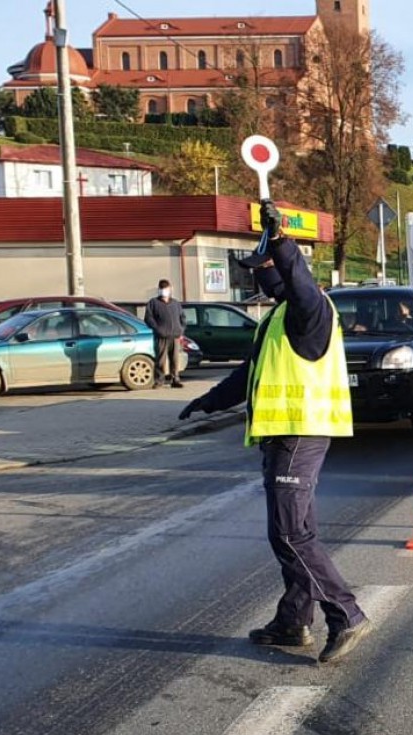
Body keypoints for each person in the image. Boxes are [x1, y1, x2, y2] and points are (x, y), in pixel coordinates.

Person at [178, 200, 371, 664]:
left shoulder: (311, 311)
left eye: (263, 269)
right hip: (284, 436)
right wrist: (208, 402)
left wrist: (282, 243)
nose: (258, 279)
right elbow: (249, 375)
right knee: (295, 531)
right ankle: (293, 621)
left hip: (299, 433)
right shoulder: (278, 318)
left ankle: (346, 615)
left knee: (289, 536)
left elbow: (302, 286)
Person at [144, 279, 186, 388]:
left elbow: (182, 317)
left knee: (175, 359)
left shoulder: (175, 303)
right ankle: (159, 380)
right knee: (161, 359)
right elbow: (148, 318)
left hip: (175, 336)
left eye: (166, 289)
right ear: (159, 290)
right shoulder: (153, 303)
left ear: (170, 289)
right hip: (161, 336)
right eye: (162, 289)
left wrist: (181, 329)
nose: (164, 291)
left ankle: (175, 379)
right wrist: (157, 329)